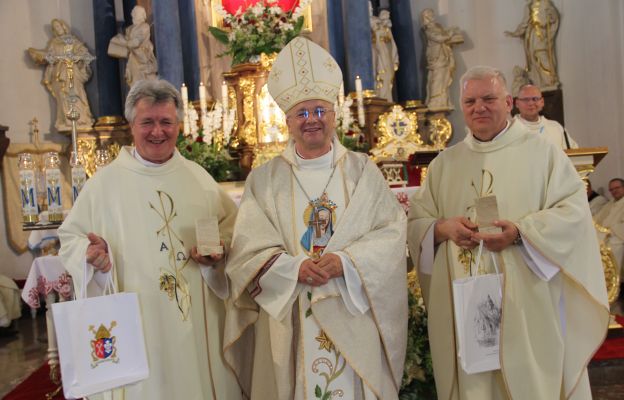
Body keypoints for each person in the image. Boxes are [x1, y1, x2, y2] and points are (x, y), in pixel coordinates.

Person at [407, 65, 609, 399]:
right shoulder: (445, 164)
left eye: (488, 98)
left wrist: (519, 233)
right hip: (467, 302)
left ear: (509, 101)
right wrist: (443, 228)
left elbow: (572, 214)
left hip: (527, 302)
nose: (479, 107)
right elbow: (417, 223)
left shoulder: (543, 155)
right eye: (470, 101)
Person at [223, 37, 407, 399]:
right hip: (291, 315)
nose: (312, 121)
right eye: (302, 113)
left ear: (334, 116)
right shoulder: (265, 178)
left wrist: (346, 262)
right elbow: (247, 250)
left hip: (351, 310)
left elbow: (390, 234)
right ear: (287, 120)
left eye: (320, 111)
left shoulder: (362, 171)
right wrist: (294, 269)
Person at [58, 79, 242, 399]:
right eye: (148, 122)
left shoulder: (199, 179)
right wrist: (91, 254)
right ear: (132, 126)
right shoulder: (104, 186)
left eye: (166, 122)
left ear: (179, 126)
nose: (158, 131)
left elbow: (232, 228)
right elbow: (70, 238)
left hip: (195, 326)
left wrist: (219, 250)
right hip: (137, 324)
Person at [28, 19, 95, 131]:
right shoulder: (54, 43)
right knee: (63, 96)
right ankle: (67, 120)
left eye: (59, 26)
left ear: (64, 27)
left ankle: (82, 119)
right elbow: (49, 56)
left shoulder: (73, 41)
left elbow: (83, 52)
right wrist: (38, 55)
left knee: (76, 93)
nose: (57, 29)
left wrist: (76, 57)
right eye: (55, 28)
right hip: (59, 73)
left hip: (72, 71)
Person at [505, 0, 560, 91]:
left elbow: (554, 19)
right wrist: (515, 33)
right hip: (531, 35)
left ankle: (550, 80)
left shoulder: (545, 3)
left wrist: (551, 15)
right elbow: (525, 23)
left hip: (541, 34)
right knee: (533, 60)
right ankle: (539, 82)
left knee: (541, 54)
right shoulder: (528, 6)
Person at [421, 8, 464, 112]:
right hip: (436, 57)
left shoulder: (438, 26)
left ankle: (443, 100)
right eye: (430, 14)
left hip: (444, 55)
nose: (432, 16)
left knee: (444, 78)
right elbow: (439, 38)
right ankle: (435, 100)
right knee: (437, 78)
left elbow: (443, 35)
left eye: (432, 13)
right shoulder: (428, 29)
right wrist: (450, 33)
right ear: (426, 17)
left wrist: (452, 31)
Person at [513, 83, 578, 149]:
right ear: (517, 103)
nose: (531, 103)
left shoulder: (556, 127)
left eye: (535, 99)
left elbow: (574, 154)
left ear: (542, 102)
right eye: (526, 100)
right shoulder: (510, 129)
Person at [108, 5, 158, 87]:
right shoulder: (129, 29)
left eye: (136, 13)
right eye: (133, 13)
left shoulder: (144, 27)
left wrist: (122, 41)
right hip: (133, 59)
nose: (133, 15)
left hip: (142, 57)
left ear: (142, 15)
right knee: (135, 84)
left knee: (147, 83)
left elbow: (136, 43)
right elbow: (129, 42)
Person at [594, 178, 624, 281]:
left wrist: (610, 230)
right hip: (604, 236)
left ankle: (612, 282)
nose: (614, 191)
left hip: (617, 238)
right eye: (611, 190)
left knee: (613, 249)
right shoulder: (610, 203)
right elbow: (597, 218)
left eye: (617, 188)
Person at [371, 9, 399, 102]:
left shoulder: (386, 29)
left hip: (387, 55)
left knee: (389, 75)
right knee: (381, 73)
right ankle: (382, 96)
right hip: (380, 54)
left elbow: (392, 44)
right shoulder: (376, 29)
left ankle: (387, 97)